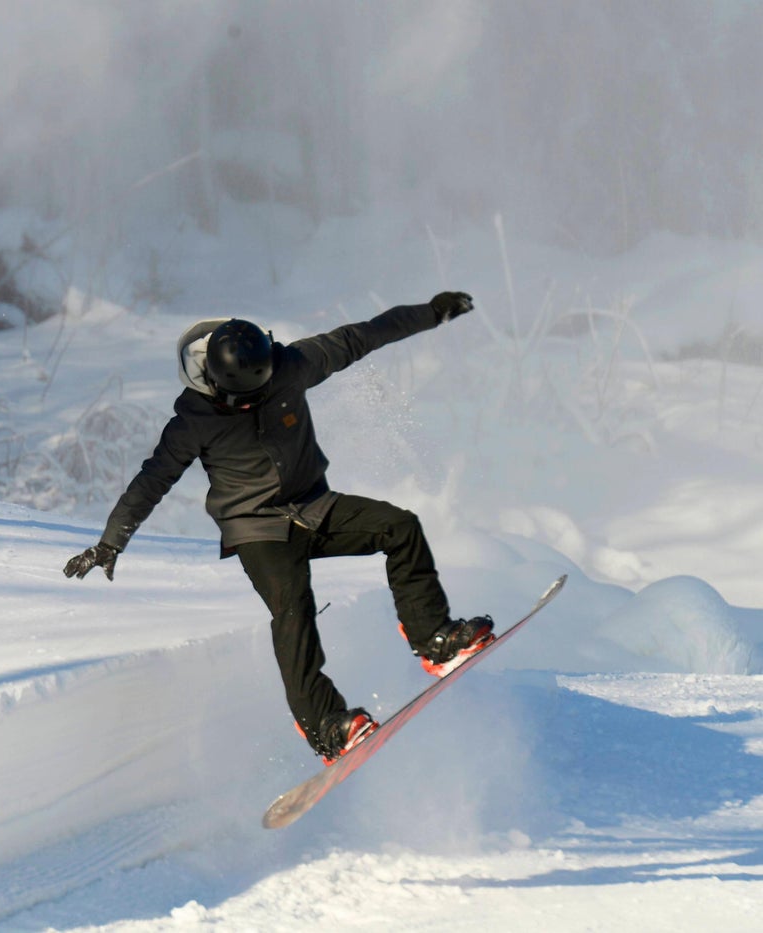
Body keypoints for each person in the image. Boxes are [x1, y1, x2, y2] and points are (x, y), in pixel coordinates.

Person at [63, 294, 494, 764]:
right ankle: (325, 726)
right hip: (257, 531)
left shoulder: (291, 363)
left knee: (400, 527)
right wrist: (111, 542)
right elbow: (152, 479)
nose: (252, 403)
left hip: (313, 507)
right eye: (242, 399)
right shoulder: (193, 419)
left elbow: (363, 335)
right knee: (293, 608)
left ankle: (433, 637)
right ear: (217, 384)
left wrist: (431, 312)